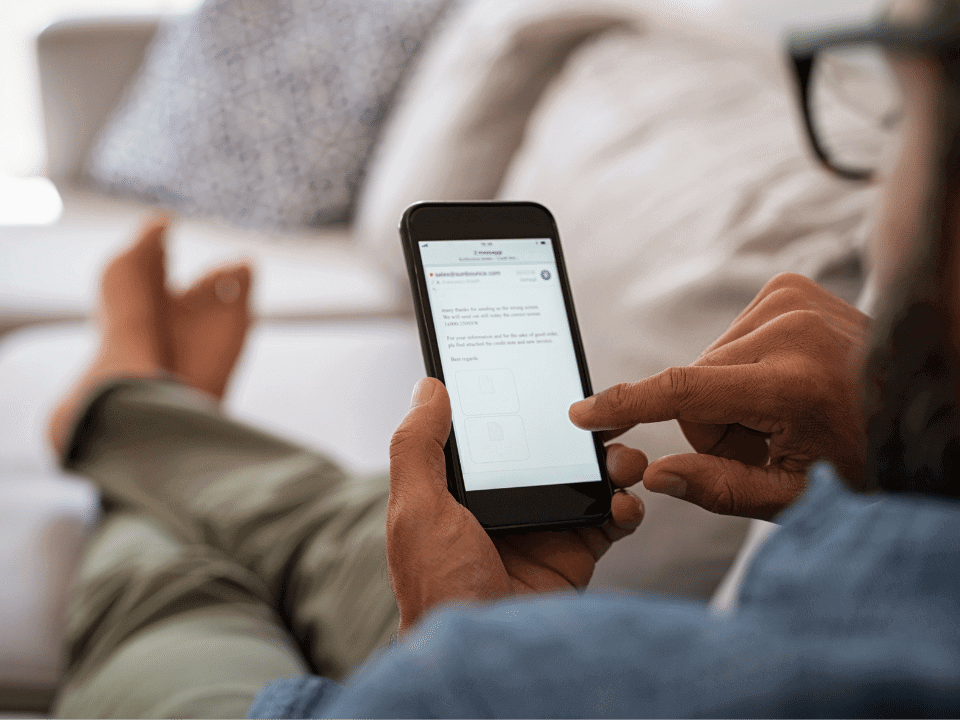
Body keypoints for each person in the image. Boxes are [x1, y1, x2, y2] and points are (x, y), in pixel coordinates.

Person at [48, 0, 960, 716]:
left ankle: (122, 406)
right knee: (351, 520)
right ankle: (149, 415)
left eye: (896, 118)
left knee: (174, 596)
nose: (876, 200)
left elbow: (458, 686)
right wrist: (903, 465)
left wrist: (454, 642)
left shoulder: (478, 685)